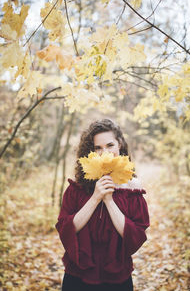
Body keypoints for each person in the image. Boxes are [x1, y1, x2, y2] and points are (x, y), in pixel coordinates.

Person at [55, 119, 150, 291]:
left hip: (117, 278)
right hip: (78, 276)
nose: (104, 153)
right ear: (90, 151)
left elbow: (135, 236)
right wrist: (95, 197)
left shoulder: (132, 190)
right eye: (98, 148)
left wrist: (109, 200)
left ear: (120, 145)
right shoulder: (77, 188)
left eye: (110, 145)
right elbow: (65, 228)